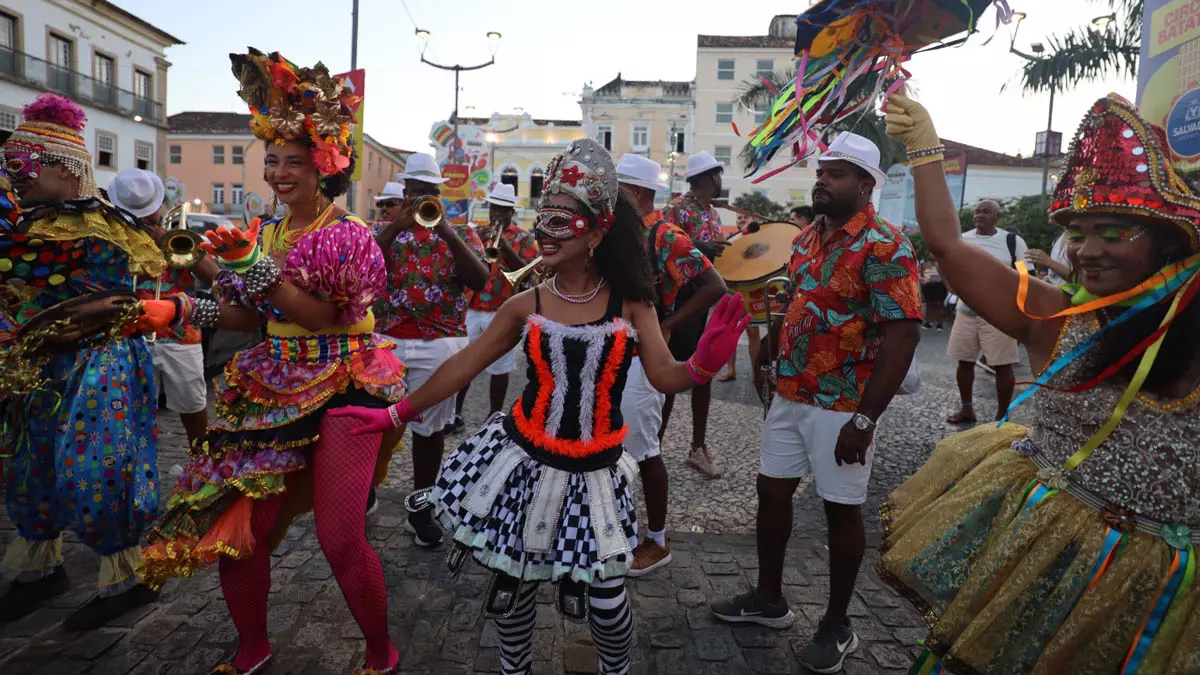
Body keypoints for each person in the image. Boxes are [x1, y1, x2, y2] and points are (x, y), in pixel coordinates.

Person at [331, 139, 751, 675]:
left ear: (596, 233)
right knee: (513, 598)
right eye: (541, 219)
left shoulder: (632, 303)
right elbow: (463, 367)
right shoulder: (523, 304)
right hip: (524, 465)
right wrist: (393, 415)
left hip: (596, 473)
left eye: (560, 221)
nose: (543, 234)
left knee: (609, 608)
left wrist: (702, 366)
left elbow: (665, 375)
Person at [880, 89, 1200, 674]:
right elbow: (947, 246)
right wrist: (925, 148)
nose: (1088, 251)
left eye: (1112, 232)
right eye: (1078, 233)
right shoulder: (1055, 318)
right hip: (1045, 551)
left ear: (1169, 240)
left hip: (1164, 593)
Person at [137, 49, 407, 674]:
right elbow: (247, 317)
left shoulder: (347, 235)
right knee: (241, 534)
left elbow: (314, 316)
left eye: (294, 162)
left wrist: (247, 264)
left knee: (340, 538)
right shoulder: (266, 231)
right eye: (272, 160)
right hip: (273, 383)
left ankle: (381, 651)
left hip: (345, 382)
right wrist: (178, 309)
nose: (279, 173)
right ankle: (253, 648)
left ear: (324, 166)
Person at [711, 131, 922, 675]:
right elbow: (796, 300)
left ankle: (838, 624)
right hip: (791, 391)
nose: (822, 180)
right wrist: (769, 351)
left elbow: (902, 336)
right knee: (771, 491)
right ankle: (769, 600)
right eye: (822, 171)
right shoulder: (807, 237)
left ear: (866, 184)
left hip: (843, 403)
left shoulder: (886, 244)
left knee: (839, 508)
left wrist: (864, 420)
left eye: (836, 173)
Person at [0, 93, 183, 629]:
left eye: (22, 166)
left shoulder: (103, 226)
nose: (14, 177)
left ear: (63, 167)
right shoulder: (28, 223)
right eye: (9, 167)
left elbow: (73, 283)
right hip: (41, 361)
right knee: (30, 465)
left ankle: (128, 577)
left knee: (97, 467)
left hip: (101, 361)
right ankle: (39, 569)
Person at [614, 153, 726, 576]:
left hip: (642, 358)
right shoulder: (617, 231)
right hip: (612, 353)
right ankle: (614, 527)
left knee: (645, 450)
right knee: (613, 448)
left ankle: (657, 541)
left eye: (616, 189)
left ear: (636, 192)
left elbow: (715, 285)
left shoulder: (664, 233)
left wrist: (666, 323)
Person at [373, 152, 488, 548]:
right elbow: (359, 267)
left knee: (430, 430)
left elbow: (481, 280)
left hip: (439, 342)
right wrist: (396, 226)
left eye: (429, 192)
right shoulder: (385, 230)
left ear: (439, 193)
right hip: (386, 340)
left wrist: (448, 234)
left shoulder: (461, 232)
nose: (421, 198)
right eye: (415, 191)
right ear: (405, 191)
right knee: (376, 424)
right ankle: (366, 491)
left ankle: (420, 509)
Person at [110, 168, 221, 445]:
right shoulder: (111, 238)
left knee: (193, 403)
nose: (147, 220)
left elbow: (216, 278)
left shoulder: (174, 236)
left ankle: (200, 457)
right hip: (130, 334)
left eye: (151, 213)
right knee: (131, 409)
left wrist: (171, 242)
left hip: (180, 335)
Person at [658, 150, 730, 477]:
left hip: (705, 301)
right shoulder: (676, 209)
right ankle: (653, 448)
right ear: (707, 178)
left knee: (704, 373)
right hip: (681, 300)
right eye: (717, 175)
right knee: (669, 377)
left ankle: (697, 447)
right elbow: (662, 249)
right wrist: (704, 248)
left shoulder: (712, 212)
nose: (720, 181)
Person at [455, 183, 537, 417]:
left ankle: (493, 416)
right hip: (472, 307)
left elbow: (528, 274)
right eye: (494, 208)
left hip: (504, 309)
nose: (497, 214)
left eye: (502, 210)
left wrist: (506, 249)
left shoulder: (524, 237)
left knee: (500, 367)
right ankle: (455, 414)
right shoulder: (477, 235)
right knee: (464, 362)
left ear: (511, 212)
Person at [945, 199, 1027, 423]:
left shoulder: (1012, 241)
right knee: (964, 361)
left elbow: (1025, 275)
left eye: (986, 211)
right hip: (966, 311)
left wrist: (1018, 307)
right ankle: (967, 409)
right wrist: (950, 284)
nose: (980, 215)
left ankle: (1002, 416)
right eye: (977, 211)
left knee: (1002, 365)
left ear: (997, 217)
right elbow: (946, 262)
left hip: (999, 314)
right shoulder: (963, 239)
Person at [920, 255, 947, 331]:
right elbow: (921, 275)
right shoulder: (925, 265)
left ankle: (939, 324)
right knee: (929, 305)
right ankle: (928, 323)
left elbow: (945, 276)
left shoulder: (942, 264)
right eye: (930, 253)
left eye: (933, 253)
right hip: (928, 287)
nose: (931, 254)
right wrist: (922, 282)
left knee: (939, 305)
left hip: (939, 286)